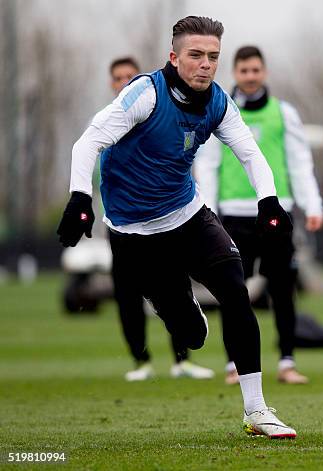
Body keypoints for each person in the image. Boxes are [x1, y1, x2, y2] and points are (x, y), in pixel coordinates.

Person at [57, 16, 296, 438]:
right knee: (191, 334)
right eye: (196, 55)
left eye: (213, 57)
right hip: (135, 232)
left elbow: (251, 154)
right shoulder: (144, 94)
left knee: (236, 292)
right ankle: (177, 310)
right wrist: (79, 198)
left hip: (188, 214)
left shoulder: (219, 102)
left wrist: (269, 201)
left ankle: (256, 410)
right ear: (174, 56)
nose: (206, 65)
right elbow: (87, 142)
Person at [196, 45, 323, 385]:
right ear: (235, 73)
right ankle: (232, 365)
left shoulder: (284, 114)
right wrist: (207, 208)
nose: (250, 77)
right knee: (232, 290)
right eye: (243, 71)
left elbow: (299, 163)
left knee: (283, 290)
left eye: (255, 70)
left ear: (263, 72)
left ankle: (286, 362)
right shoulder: (218, 110)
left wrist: (312, 205)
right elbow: (207, 164)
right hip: (232, 215)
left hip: (276, 213)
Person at [107, 56, 215, 382]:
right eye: (118, 77)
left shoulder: (160, 116)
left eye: (130, 75)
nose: (125, 81)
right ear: (111, 83)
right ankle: (140, 361)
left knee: (174, 283)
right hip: (120, 224)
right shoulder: (104, 124)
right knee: (127, 290)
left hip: (166, 220)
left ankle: (182, 358)